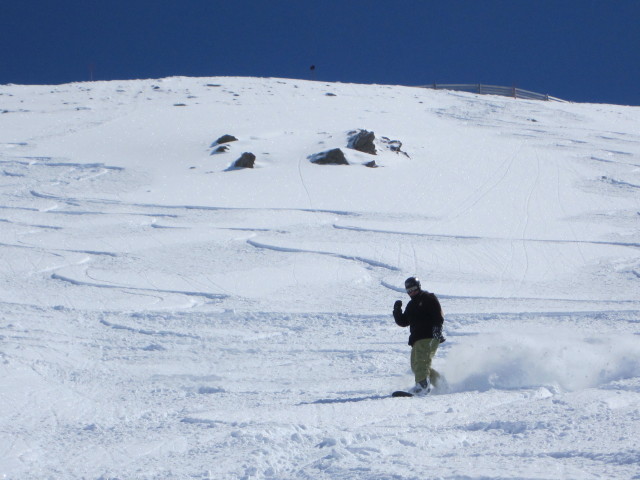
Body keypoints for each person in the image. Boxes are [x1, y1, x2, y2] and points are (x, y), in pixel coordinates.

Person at [393, 276, 445, 395]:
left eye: (413, 289)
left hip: (429, 336)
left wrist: (437, 328)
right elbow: (403, 321)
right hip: (417, 339)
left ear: (419, 287)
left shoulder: (428, 298)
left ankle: (422, 386)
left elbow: (438, 314)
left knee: (422, 362)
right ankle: (442, 384)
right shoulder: (411, 305)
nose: (411, 292)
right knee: (417, 366)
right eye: (409, 291)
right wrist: (397, 310)